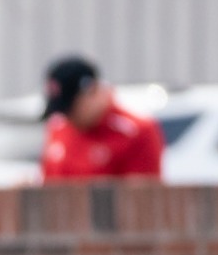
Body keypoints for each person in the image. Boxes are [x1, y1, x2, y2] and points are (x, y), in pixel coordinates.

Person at [39, 55, 163, 183]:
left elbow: (142, 195)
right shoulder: (58, 128)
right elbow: (49, 183)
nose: (67, 117)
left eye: (71, 108)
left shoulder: (135, 132)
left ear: (91, 92)